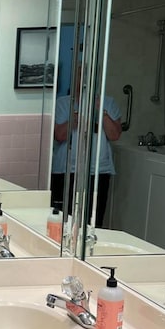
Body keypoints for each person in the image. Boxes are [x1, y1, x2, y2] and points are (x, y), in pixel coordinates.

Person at [51, 88, 122, 227]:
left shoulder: (108, 103)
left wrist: (102, 113)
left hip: (98, 171)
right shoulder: (63, 103)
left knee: (94, 221)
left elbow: (114, 135)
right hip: (66, 170)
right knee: (62, 220)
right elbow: (59, 136)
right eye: (78, 74)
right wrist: (74, 120)